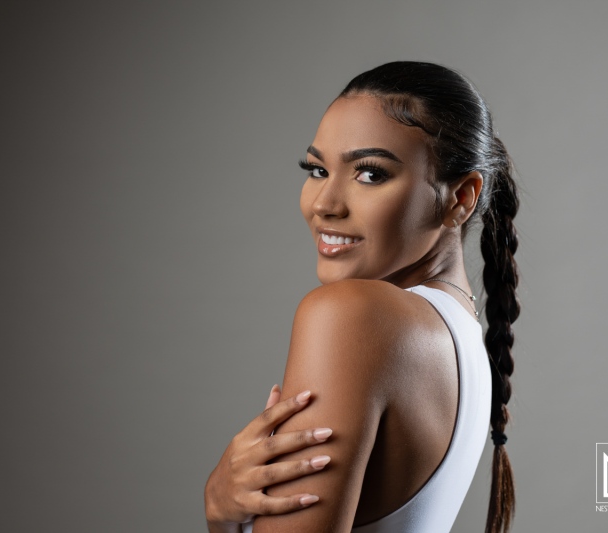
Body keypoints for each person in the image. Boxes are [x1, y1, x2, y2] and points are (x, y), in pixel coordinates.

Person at [204, 61, 520, 533]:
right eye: (317, 169)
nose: (323, 204)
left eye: (370, 174)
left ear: (461, 197)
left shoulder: (352, 315)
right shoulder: (461, 338)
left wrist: (220, 514)